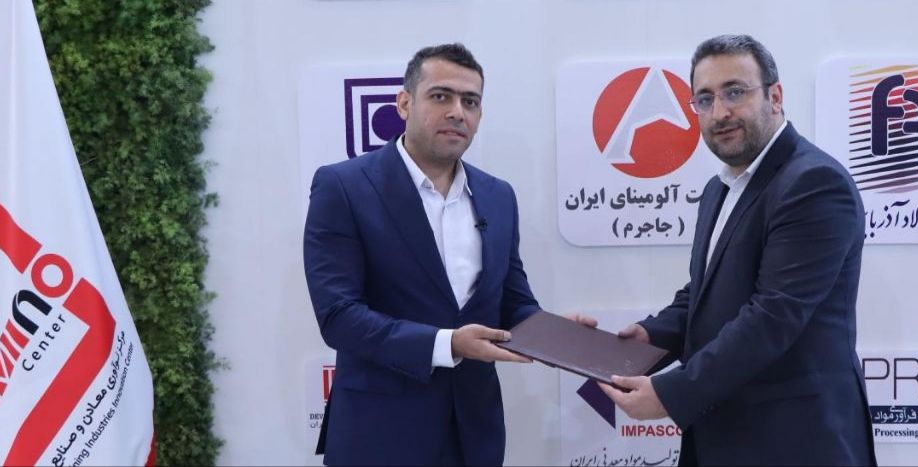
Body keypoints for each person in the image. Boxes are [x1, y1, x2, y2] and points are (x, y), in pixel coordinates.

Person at [597, 34, 878, 466]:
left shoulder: (814, 183)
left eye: (735, 92)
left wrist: (673, 393)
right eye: (704, 99)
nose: (719, 112)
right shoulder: (720, 187)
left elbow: (773, 316)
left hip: (796, 440)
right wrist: (650, 336)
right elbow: (707, 293)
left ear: (775, 96)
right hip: (723, 432)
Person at [303, 43, 541, 466]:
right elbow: (339, 316)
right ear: (404, 103)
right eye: (441, 96)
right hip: (379, 433)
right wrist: (448, 344)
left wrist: (557, 337)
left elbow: (513, 302)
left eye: (470, 101)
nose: (457, 112)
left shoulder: (498, 195)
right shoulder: (344, 187)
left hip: (474, 433)